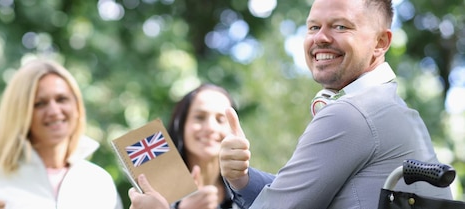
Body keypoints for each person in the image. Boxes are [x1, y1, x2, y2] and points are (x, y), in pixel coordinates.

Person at [128, 0, 453, 208]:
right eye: (313, 27)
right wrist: (242, 178)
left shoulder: (350, 114)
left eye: (340, 26)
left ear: (381, 42)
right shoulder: (392, 109)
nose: (320, 38)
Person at [0, 59, 123, 209]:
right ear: (20, 113)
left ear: (77, 106)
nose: (54, 111)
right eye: (39, 104)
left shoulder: (99, 181)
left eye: (61, 99)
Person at [166, 84, 274, 209]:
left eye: (220, 119)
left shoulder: (250, 193)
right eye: (199, 117)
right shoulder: (154, 186)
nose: (211, 127)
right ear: (181, 125)